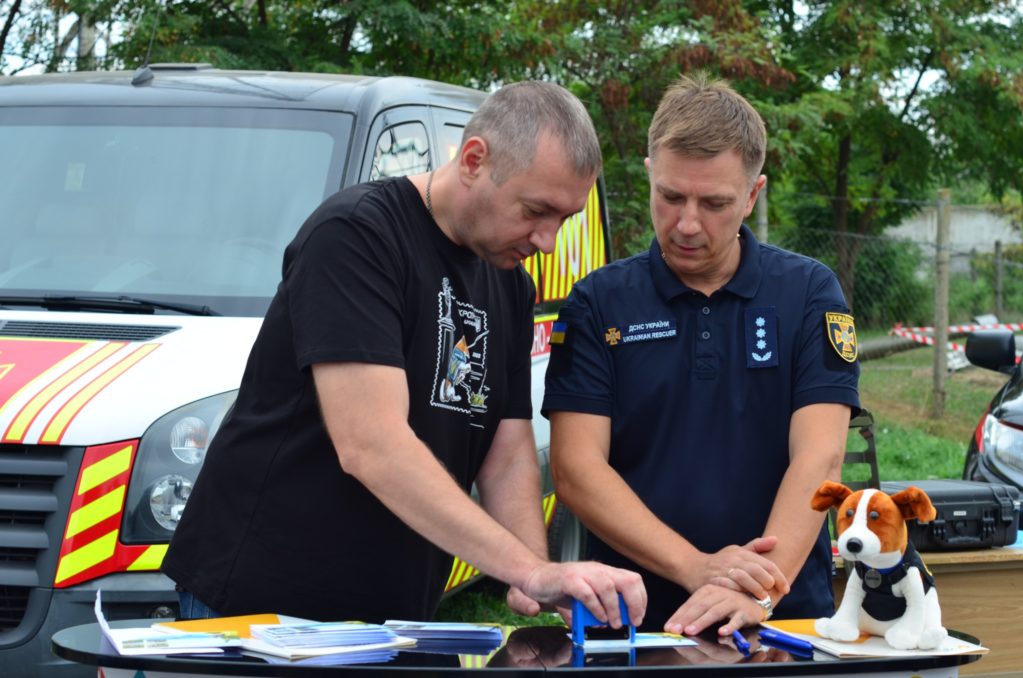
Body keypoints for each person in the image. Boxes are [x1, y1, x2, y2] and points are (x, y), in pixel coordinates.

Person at [162, 80, 646, 629]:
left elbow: (506, 452)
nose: (547, 241)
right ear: (473, 160)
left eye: (565, 219)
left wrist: (529, 569)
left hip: (394, 614)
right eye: (537, 210)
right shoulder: (357, 236)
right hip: (265, 603)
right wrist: (528, 569)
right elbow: (371, 444)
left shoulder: (510, 285)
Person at [542, 73, 859, 638]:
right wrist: (697, 568)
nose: (687, 224)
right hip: (636, 622)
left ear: (753, 194)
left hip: (782, 616)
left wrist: (757, 590)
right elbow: (576, 470)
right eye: (669, 196)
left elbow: (820, 458)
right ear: (648, 175)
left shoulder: (809, 293)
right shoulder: (598, 303)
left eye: (714, 203)